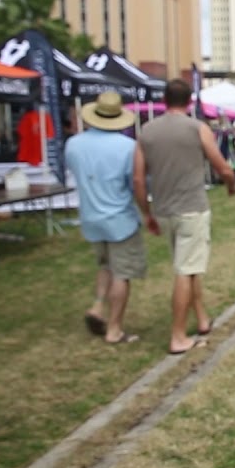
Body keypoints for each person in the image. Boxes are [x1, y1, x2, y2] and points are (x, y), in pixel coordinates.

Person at [134, 80, 235, 355]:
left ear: (164, 100)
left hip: (164, 209)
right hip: (191, 208)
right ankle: (178, 335)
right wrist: (230, 185)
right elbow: (222, 166)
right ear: (189, 100)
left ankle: (201, 318)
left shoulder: (147, 131)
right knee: (186, 269)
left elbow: (138, 179)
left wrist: (146, 212)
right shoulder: (197, 128)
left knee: (189, 266)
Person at [65, 91, 145, 345]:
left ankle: (98, 306)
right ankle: (115, 329)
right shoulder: (128, 147)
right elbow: (135, 182)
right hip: (120, 218)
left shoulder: (73, 144)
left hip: (90, 215)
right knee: (122, 273)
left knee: (105, 266)